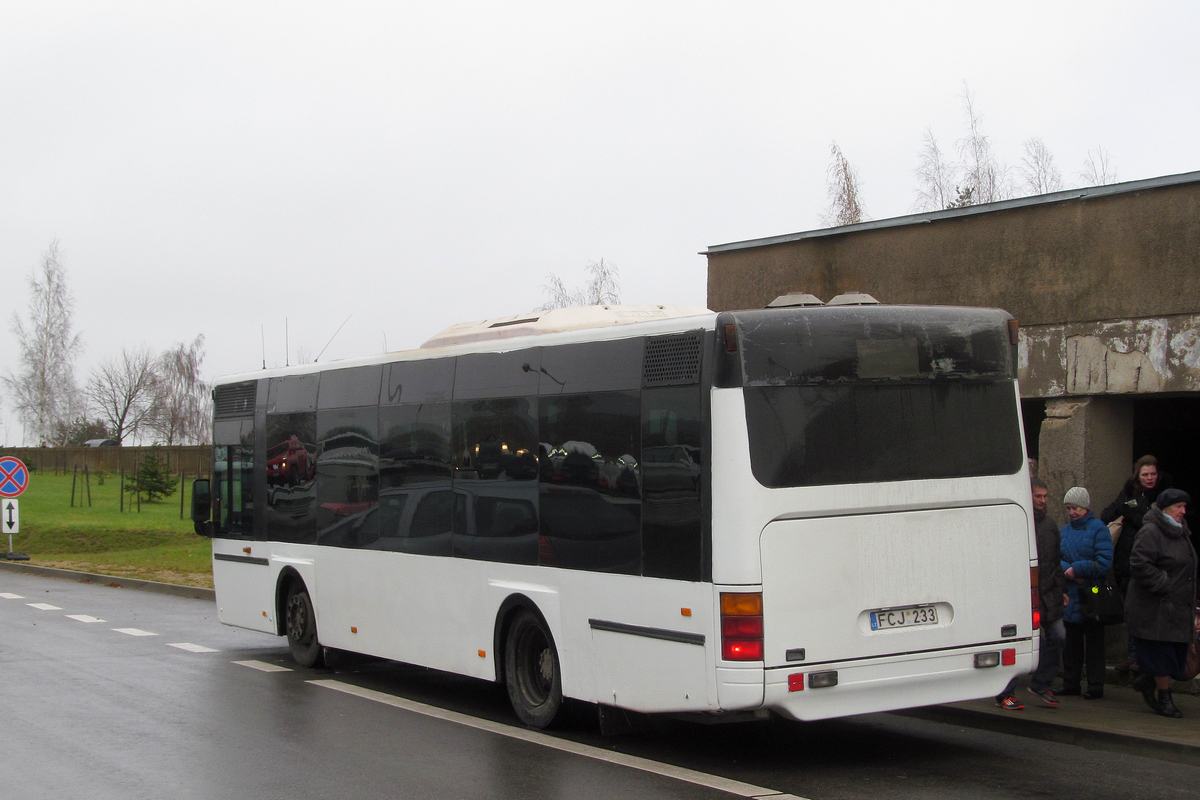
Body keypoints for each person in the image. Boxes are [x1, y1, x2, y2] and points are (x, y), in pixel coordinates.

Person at [996, 479, 1067, 710]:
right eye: (1039, 496)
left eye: (1046, 496)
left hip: (1048, 593)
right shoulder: (1015, 522)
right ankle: (1005, 692)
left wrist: (1060, 588)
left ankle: (1041, 683)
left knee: (1058, 636)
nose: (1043, 501)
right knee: (1016, 643)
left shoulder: (1050, 525)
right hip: (1021, 595)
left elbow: (1056, 560)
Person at [1126, 488, 1197, 718]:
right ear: (1166, 508)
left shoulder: (1181, 531)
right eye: (1179, 507)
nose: (1183, 511)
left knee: (1178, 658)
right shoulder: (1151, 531)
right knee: (1163, 655)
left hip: (1178, 607)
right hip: (1156, 607)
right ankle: (1165, 699)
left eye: (1184, 507)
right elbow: (1138, 564)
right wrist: (1164, 585)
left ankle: (1148, 679)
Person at [1102, 455, 1168, 671]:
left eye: (1153, 474)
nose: (1150, 478)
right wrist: (1128, 507)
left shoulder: (1162, 496)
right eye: (1145, 474)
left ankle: (1147, 658)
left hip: (1153, 563)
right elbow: (1108, 513)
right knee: (1131, 612)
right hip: (1126, 562)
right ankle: (1133, 656)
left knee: (1150, 613)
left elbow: (1150, 522)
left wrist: (1133, 511)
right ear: (1138, 475)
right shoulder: (1129, 492)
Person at [1058, 487, 1113, 699]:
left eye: (1075, 508)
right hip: (1070, 594)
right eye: (1069, 508)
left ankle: (1095, 686)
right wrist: (1068, 570)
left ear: (1086, 507)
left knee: (1094, 644)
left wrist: (1077, 569)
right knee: (1071, 644)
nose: (1072, 512)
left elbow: (1104, 562)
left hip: (1092, 595)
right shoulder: (1064, 531)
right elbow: (1056, 558)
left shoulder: (1099, 529)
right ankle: (1071, 682)